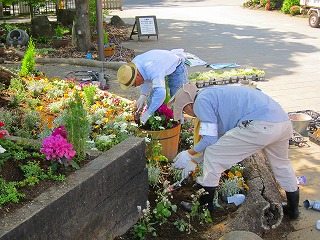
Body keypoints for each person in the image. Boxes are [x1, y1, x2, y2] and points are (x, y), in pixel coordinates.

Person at [169, 83, 299, 219]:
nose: (188, 114)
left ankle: (204, 209)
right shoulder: (211, 94)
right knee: (282, 164)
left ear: (189, 105)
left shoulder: (200, 102)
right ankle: (293, 209)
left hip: (261, 125)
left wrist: (189, 153)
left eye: (184, 111)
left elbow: (210, 141)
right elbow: (216, 138)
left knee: (214, 155)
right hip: (282, 122)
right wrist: (194, 160)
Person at [117, 49, 188, 123]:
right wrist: (143, 95)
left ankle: (181, 124)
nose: (135, 86)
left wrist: (148, 114)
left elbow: (161, 94)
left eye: (134, 84)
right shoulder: (135, 66)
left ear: (137, 75)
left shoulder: (153, 70)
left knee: (178, 99)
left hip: (177, 66)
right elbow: (144, 77)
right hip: (162, 65)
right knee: (153, 98)